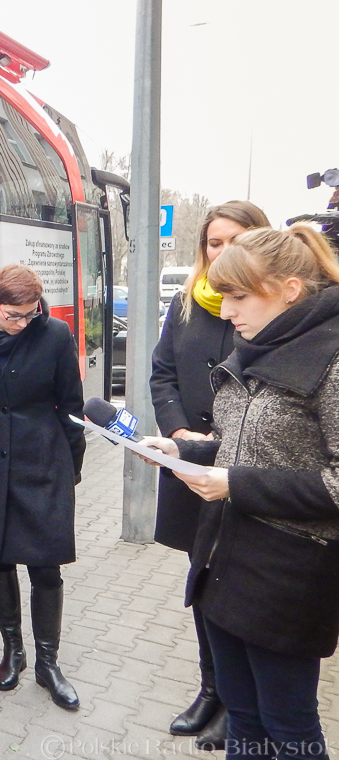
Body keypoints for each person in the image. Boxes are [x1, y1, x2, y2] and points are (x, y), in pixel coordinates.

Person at [141, 224, 339, 760]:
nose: (226, 312)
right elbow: (239, 447)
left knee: (288, 723)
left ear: (290, 289)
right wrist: (185, 452)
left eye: (238, 296)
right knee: (243, 713)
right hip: (223, 559)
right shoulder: (256, 345)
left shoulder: (333, 358)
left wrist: (235, 483)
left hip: (289, 575)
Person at [149, 201, 270, 748]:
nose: (222, 253)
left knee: (234, 584)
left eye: (236, 242)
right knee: (201, 579)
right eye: (214, 243)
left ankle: (237, 702)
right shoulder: (184, 303)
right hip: (191, 463)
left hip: (244, 470)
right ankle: (210, 690)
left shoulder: (265, 308)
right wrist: (177, 433)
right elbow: (162, 372)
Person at [0, 264, 85, 710]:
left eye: (31, 314)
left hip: (42, 460)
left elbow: (71, 405)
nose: (24, 323)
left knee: (46, 565)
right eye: (14, 316)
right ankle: (13, 651)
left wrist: (72, 469)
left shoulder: (56, 335)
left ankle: (48, 663)